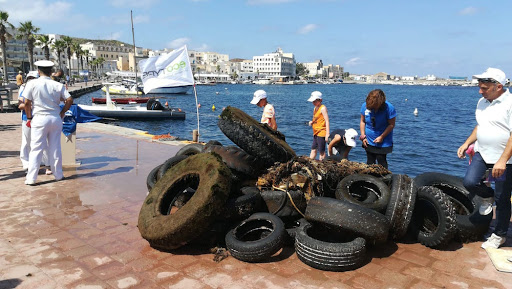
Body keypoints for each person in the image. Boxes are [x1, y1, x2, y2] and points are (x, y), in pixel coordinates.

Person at [457, 67, 512, 249]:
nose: (480, 91)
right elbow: (480, 126)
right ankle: (487, 197)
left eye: (485, 87)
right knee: (470, 182)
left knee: (503, 198)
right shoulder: (482, 102)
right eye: (479, 87)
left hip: (504, 159)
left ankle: (500, 234)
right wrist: (466, 143)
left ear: (498, 86)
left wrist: (503, 160)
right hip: (482, 153)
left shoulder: (510, 103)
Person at [23, 60, 73, 185]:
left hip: (39, 118)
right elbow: (69, 99)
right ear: (51, 71)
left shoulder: (32, 83)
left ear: (38, 71)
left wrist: (29, 117)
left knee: (36, 148)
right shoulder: (57, 85)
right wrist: (62, 112)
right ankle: (58, 174)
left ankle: (31, 178)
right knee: (55, 147)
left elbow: (27, 103)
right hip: (55, 117)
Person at [18, 71, 51, 174]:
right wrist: (32, 106)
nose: (31, 80)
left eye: (34, 78)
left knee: (43, 141)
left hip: (40, 118)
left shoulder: (42, 88)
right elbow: (20, 105)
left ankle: (47, 164)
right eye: (30, 78)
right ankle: (26, 163)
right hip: (26, 118)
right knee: (26, 141)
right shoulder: (23, 88)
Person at [359, 89, 396, 169]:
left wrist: (382, 137)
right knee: (370, 161)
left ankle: (383, 180)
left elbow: (391, 125)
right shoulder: (364, 106)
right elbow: (362, 121)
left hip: (383, 141)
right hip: (368, 140)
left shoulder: (389, 108)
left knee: (381, 160)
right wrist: (363, 136)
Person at [308, 91, 329, 160]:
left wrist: (327, 134)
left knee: (321, 151)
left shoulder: (323, 108)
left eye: (315, 101)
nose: (313, 103)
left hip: (321, 132)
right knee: (313, 149)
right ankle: (309, 162)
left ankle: (322, 163)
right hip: (315, 132)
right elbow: (316, 118)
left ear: (320, 100)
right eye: (313, 101)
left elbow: (327, 121)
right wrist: (312, 122)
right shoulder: (315, 108)